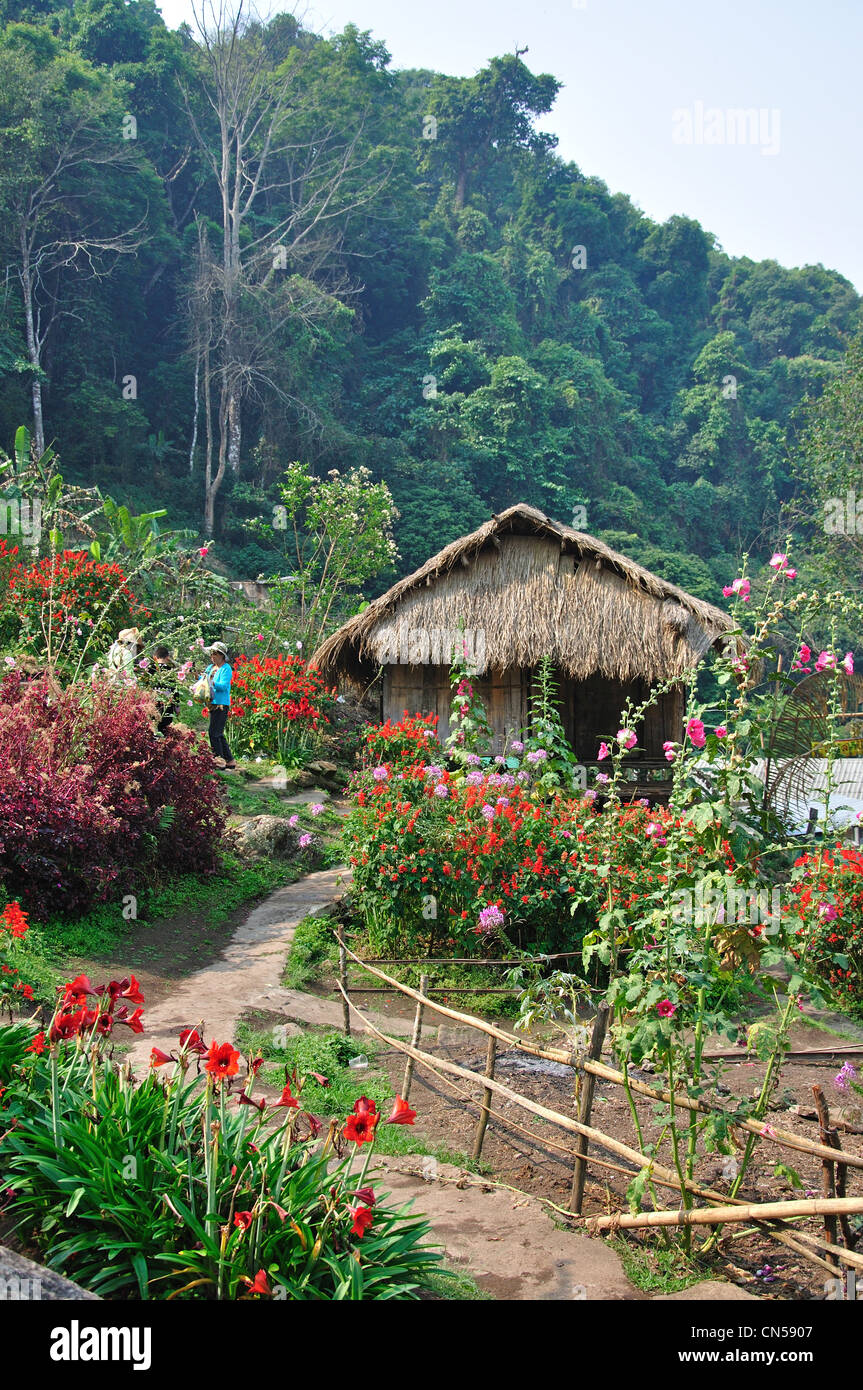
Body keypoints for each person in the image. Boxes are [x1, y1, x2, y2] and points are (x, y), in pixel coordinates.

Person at [204, 641, 236, 770]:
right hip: (212, 703)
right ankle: (230, 760)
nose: (213, 656)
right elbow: (203, 680)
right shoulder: (210, 668)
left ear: (222, 655)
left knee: (214, 733)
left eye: (215, 654)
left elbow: (223, 686)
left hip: (221, 704)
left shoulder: (226, 669)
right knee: (218, 733)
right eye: (212, 654)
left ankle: (219, 760)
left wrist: (211, 682)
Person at [152, 645, 179, 734]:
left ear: (155, 657)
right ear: (167, 657)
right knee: (165, 728)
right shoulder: (170, 670)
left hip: (153, 703)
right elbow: (175, 689)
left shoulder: (150, 669)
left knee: (153, 726)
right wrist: (177, 706)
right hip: (167, 703)